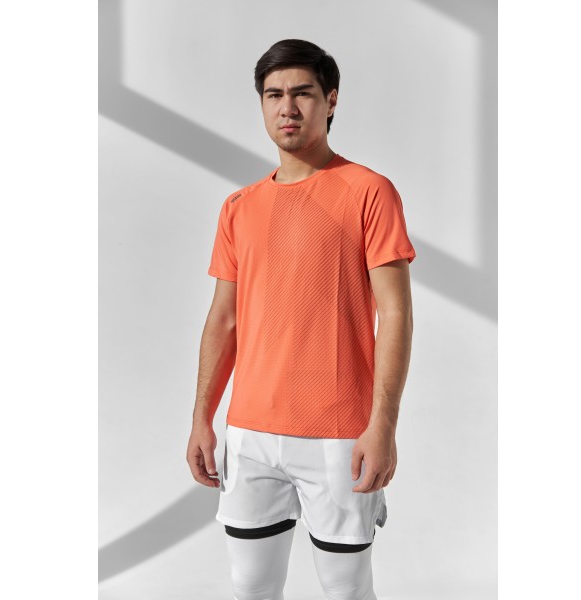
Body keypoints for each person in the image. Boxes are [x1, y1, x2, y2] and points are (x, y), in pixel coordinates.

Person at [187, 39, 416, 600]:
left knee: (345, 589)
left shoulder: (369, 192)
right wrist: (202, 418)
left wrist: (383, 425)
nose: (287, 107)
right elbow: (223, 320)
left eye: (302, 93)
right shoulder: (239, 207)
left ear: (330, 100)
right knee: (250, 587)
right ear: (262, 104)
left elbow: (396, 314)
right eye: (273, 95)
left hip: (339, 433)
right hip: (250, 433)